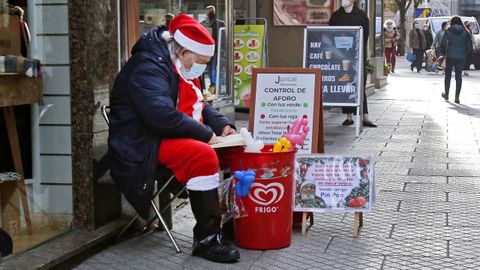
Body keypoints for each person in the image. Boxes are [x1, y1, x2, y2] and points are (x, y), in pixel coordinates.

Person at [108, 14, 240, 263]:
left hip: (163, 134)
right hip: (141, 141)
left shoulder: (180, 63)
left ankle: (231, 222)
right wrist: (206, 135)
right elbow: (160, 116)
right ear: (184, 52)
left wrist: (222, 128)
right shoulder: (147, 66)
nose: (202, 67)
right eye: (201, 61)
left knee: (234, 152)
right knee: (202, 155)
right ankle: (206, 239)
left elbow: (200, 104)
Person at [329, 0, 377, 127]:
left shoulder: (361, 16)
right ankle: (348, 117)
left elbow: (365, 37)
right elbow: (331, 35)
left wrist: (361, 53)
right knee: (345, 83)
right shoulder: (336, 16)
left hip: (356, 56)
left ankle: (365, 116)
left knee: (359, 83)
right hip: (341, 56)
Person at [440, 16, 472, 104]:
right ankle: (457, 97)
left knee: (448, 76)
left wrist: (443, 54)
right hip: (461, 57)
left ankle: (446, 94)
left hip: (449, 56)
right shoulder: (466, 32)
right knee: (459, 77)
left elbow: (443, 44)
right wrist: (465, 54)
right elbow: (469, 46)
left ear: (452, 22)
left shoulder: (448, 31)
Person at [201, 5, 225, 93]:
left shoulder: (220, 23)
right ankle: (213, 85)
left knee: (215, 68)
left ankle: (215, 85)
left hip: (217, 49)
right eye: (207, 11)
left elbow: (224, 37)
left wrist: (223, 49)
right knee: (210, 68)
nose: (208, 13)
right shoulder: (203, 23)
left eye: (210, 11)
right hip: (207, 49)